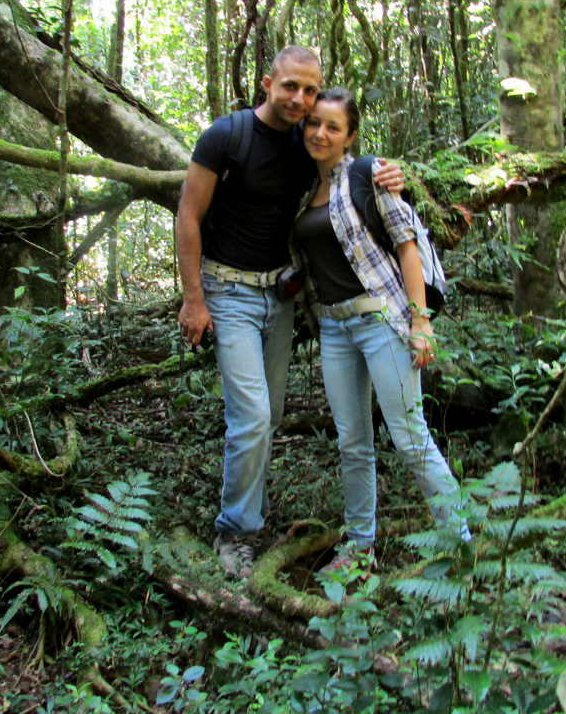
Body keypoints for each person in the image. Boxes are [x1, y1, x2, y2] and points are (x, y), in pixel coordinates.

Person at [176, 48, 402, 578]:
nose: (300, 99)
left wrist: (394, 173)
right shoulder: (225, 136)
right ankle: (235, 532)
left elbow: (348, 172)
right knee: (252, 417)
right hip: (226, 290)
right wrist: (193, 299)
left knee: (268, 415)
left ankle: (250, 511)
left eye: (310, 89)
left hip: (279, 296)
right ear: (267, 84)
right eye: (290, 88)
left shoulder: (308, 142)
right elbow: (189, 213)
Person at [290, 87, 465, 572]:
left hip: (382, 319)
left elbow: (407, 245)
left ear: (350, 137)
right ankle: (359, 548)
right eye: (314, 123)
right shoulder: (303, 191)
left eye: (333, 127)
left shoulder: (368, 174)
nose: (320, 133)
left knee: (410, 436)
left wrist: (420, 320)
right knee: (352, 441)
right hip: (334, 329)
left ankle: (460, 542)